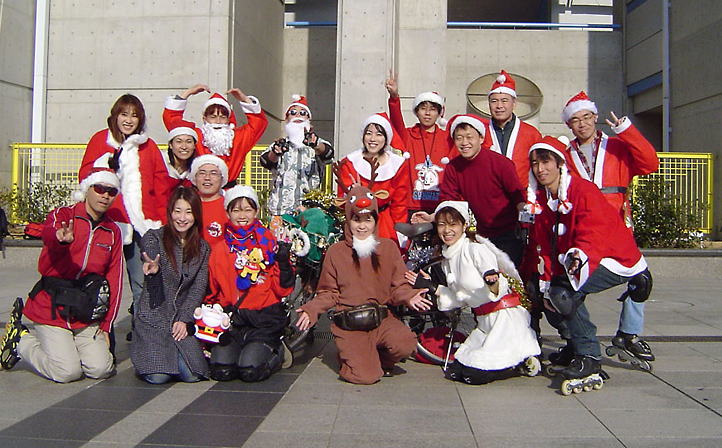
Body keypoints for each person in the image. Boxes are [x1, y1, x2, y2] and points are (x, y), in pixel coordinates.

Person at [524, 136, 653, 388]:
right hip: (576, 259)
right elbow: (546, 248)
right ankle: (574, 345)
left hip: (614, 258)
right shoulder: (543, 200)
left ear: (559, 163)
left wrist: (578, 259)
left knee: (564, 294)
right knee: (547, 296)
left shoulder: (582, 190)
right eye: (535, 163)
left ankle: (590, 356)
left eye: (546, 162)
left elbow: (593, 232)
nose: (540, 169)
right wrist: (545, 281)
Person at [295, 177, 431, 385]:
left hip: (381, 319)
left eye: (368, 220)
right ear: (348, 220)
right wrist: (312, 309)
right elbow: (328, 292)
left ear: (375, 220)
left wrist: (409, 296)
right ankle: (354, 357)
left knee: (405, 344)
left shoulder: (388, 248)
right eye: (356, 219)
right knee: (365, 376)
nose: (362, 226)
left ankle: (376, 358)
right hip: (350, 323)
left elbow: (398, 286)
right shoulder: (336, 252)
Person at [560, 91, 658, 362]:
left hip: (617, 227)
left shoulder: (617, 146)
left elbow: (650, 163)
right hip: (584, 228)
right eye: (576, 120)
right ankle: (574, 340)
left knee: (641, 279)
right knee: (572, 288)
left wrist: (627, 131)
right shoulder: (565, 155)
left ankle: (629, 334)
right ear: (569, 125)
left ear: (596, 117)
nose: (582, 124)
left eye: (587, 117)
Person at [0, 168, 123, 382]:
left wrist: (106, 325)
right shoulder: (65, 216)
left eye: (111, 191)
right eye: (99, 188)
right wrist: (59, 238)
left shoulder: (112, 230)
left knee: (101, 369)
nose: (105, 195)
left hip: (85, 311)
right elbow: (49, 232)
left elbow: (115, 279)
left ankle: (70, 347)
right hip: (52, 307)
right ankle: (21, 340)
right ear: (87, 189)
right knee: (67, 372)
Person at [406, 201, 541, 385]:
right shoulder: (449, 257)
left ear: (464, 225)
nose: (447, 230)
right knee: (457, 371)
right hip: (484, 324)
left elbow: (489, 270)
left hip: (504, 321)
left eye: (453, 224)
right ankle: (515, 361)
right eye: (442, 224)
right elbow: (459, 298)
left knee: (474, 375)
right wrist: (431, 286)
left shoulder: (475, 248)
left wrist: (491, 278)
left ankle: (518, 363)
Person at [78, 94, 165, 308]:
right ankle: (97, 325)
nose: (129, 120)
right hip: (107, 222)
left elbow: (161, 185)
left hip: (141, 225)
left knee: (142, 282)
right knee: (100, 282)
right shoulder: (101, 140)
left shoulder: (148, 146)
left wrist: (162, 220)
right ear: (115, 116)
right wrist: (107, 166)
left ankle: (142, 324)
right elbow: (85, 176)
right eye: (124, 114)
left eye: (134, 115)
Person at [204, 185, 295, 382]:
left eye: (247, 209)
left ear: (256, 212)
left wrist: (282, 261)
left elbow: (283, 289)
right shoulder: (220, 249)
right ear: (228, 212)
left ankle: (277, 350)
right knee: (222, 370)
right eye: (236, 210)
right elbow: (213, 290)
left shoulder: (268, 242)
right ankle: (242, 351)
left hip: (263, 319)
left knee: (250, 371)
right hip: (233, 320)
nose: (242, 215)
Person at [412, 114, 526, 267]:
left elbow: (517, 196)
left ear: (481, 138)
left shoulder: (501, 163)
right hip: (480, 234)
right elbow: (449, 201)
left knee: (507, 276)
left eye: (469, 137)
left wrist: (525, 221)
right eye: (459, 138)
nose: (464, 143)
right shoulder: (453, 167)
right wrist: (433, 216)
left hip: (508, 233)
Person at [130, 186, 210, 384]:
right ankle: (147, 359)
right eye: (177, 211)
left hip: (180, 321)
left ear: (196, 216)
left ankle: (174, 358)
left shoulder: (202, 248)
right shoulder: (154, 237)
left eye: (188, 212)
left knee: (193, 375)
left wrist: (184, 319)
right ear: (170, 212)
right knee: (158, 376)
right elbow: (149, 254)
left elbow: (198, 288)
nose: (182, 218)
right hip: (155, 319)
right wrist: (153, 267)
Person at [163, 84, 268, 185]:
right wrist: (188, 92)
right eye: (213, 117)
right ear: (204, 118)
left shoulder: (238, 138)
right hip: (199, 192)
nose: (218, 121)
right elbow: (172, 120)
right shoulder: (196, 136)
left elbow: (258, 123)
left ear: (228, 120)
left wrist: (245, 100)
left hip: (229, 193)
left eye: (222, 117)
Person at [336, 113, 411, 245]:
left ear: (386, 138)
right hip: (356, 222)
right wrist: (352, 194)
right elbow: (342, 199)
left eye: (379, 134)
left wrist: (399, 229)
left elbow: (400, 203)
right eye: (369, 133)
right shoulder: (350, 162)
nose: (372, 139)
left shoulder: (397, 164)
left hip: (385, 222)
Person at [384, 73, 453, 214]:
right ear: (416, 111)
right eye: (423, 108)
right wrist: (394, 97)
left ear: (439, 113)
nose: (427, 113)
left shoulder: (447, 138)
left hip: (439, 207)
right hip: (411, 205)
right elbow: (396, 122)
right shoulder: (408, 135)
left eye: (432, 109)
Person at [260, 94, 334, 219]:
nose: (298, 116)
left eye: (303, 113)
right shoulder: (280, 144)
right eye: (293, 113)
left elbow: (328, 153)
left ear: (309, 119)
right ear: (286, 119)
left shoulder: (317, 143)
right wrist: (276, 153)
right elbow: (265, 161)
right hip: (280, 210)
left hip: (309, 210)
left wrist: (315, 144)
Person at [484, 70, 542, 188]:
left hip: (522, 193)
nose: (499, 106)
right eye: (494, 101)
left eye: (504, 101)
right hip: (488, 193)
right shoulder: (480, 132)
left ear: (514, 103)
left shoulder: (531, 133)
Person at [189, 154, 229, 245]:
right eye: (202, 173)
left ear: (222, 178)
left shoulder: (229, 205)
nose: (207, 178)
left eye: (213, 173)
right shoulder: (187, 203)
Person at [159, 120, 198, 197]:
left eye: (189, 142)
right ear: (170, 145)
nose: (184, 147)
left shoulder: (196, 168)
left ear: (194, 145)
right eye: (179, 142)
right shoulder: (160, 163)